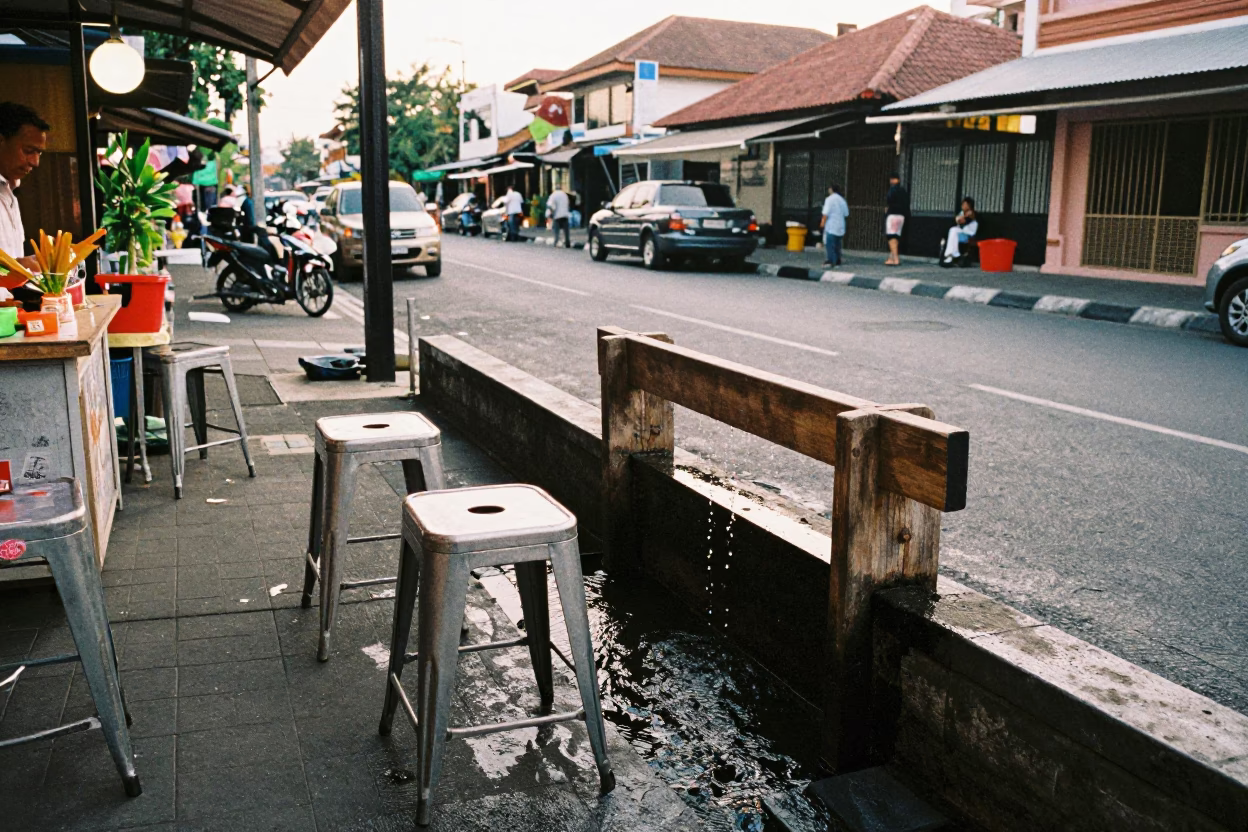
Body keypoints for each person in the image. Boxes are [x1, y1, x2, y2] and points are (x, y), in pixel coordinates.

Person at [0, 102, 49, 275]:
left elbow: (12, 258)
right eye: (28, 150)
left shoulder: (10, 193)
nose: (35, 162)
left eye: (39, 153)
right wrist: (15, 266)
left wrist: (36, 262)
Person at [941, 197, 978, 266]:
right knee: (952, 230)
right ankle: (951, 254)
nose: (963, 206)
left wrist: (961, 218)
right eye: (963, 204)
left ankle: (951, 255)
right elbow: (957, 220)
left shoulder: (972, 213)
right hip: (961, 232)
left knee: (953, 231)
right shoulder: (962, 213)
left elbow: (963, 220)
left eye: (965, 204)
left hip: (968, 234)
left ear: (969, 205)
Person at [819, 184, 849, 268]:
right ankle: (837, 259)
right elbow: (846, 213)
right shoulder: (842, 200)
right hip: (840, 225)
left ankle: (831, 260)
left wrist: (822, 223)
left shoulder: (829, 199)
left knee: (830, 244)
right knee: (837, 244)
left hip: (831, 225)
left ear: (831, 189)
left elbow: (825, 213)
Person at [884, 172, 909, 266]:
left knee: (891, 236)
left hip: (893, 215)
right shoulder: (903, 190)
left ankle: (895, 259)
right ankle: (891, 257)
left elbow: (889, 200)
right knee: (896, 237)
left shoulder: (892, 190)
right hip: (901, 216)